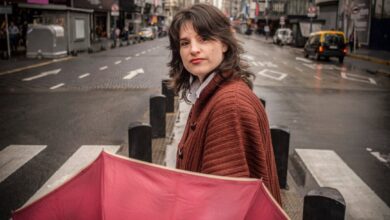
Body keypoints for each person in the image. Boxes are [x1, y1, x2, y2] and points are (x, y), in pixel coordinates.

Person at [167, 4, 281, 204]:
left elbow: (223, 204)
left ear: (225, 44)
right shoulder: (210, 94)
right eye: (185, 43)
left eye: (204, 38)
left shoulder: (229, 104)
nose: (194, 49)